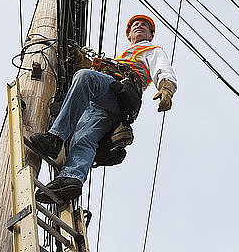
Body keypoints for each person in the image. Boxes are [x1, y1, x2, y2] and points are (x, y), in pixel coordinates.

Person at [30, 15, 177, 203]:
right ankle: (71, 179)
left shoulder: (152, 50)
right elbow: (96, 69)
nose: (140, 27)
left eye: (145, 26)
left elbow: (163, 69)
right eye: (136, 25)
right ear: (129, 34)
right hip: (106, 104)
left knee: (85, 78)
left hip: (119, 92)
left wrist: (166, 88)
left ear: (151, 34)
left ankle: (55, 138)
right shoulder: (122, 56)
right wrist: (80, 58)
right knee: (84, 137)